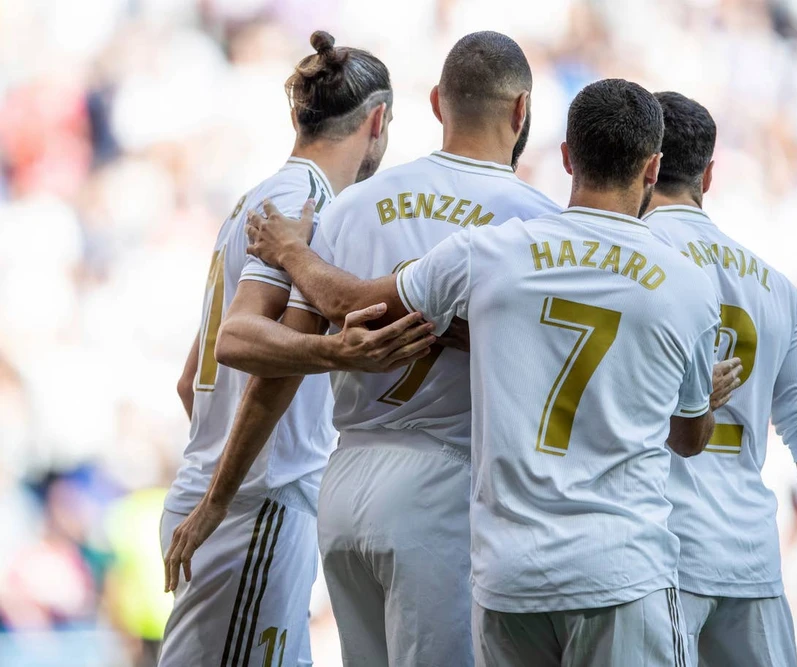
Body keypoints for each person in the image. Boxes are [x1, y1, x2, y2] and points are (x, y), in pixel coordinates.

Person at [250, 78, 731, 667]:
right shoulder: (687, 285)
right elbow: (688, 439)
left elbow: (348, 301)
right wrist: (701, 399)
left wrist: (291, 252)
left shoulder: (489, 251)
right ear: (653, 167)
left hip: (509, 576)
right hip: (622, 572)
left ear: (567, 157)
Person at [177, 31, 557, 667]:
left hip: (345, 486)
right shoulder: (538, 222)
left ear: (437, 103)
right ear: (521, 111)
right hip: (446, 485)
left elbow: (279, 361)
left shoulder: (349, 207)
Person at [158, 32, 435, 667]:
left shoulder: (257, 199)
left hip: (230, 494)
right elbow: (240, 341)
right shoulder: (305, 205)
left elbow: (189, 380)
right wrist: (341, 355)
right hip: (254, 502)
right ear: (378, 120)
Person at [643, 91, 797, 667]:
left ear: (642, 163)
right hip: (751, 562)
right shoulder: (776, 288)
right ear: (708, 174)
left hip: (657, 557)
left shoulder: (629, 262)